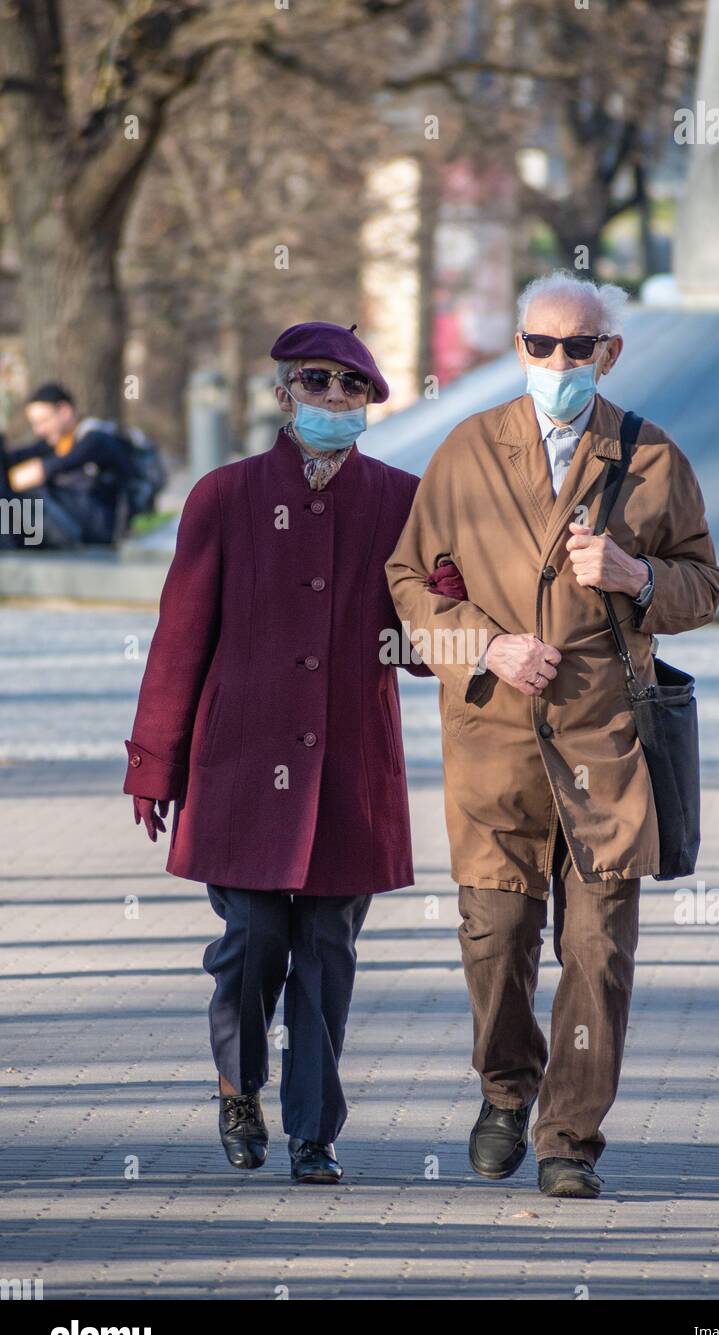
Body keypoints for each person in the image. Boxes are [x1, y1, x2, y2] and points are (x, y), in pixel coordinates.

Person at [386, 272, 719, 1198]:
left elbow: (705, 582)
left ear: (609, 352)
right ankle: (505, 1088)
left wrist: (636, 575)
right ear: (520, 349)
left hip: (608, 739)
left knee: (599, 949)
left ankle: (568, 1135)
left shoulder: (651, 456)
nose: (559, 362)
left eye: (580, 347)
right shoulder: (466, 449)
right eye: (541, 345)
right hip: (495, 731)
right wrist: (485, 644)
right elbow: (410, 581)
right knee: (494, 937)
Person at [123, 321, 441, 1183]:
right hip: (239, 768)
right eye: (316, 382)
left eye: (352, 388)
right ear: (283, 394)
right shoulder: (223, 496)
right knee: (252, 947)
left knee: (328, 960)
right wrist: (157, 762)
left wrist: (448, 592)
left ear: (371, 404)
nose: (334, 399)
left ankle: (314, 1131)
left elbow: (420, 648)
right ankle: (239, 1087)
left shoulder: (402, 498)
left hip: (349, 776)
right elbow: (180, 637)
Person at [0, 383, 134, 548]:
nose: (39, 430)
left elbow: (44, 470)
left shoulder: (96, 439)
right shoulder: (59, 442)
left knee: (22, 498)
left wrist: (19, 478)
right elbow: (20, 456)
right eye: (34, 424)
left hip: (99, 530)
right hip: (78, 525)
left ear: (64, 411)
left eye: (43, 421)